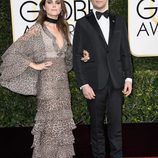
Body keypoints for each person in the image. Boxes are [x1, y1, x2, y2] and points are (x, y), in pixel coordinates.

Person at [0, 0, 76, 157]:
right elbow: (13, 53)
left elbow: (67, 58)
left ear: (61, 7)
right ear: (44, 7)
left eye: (57, 2)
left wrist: (82, 56)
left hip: (63, 86)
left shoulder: (63, 28)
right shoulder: (37, 29)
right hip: (47, 86)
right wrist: (34, 64)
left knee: (62, 126)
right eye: (50, 2)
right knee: (49, 127)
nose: (54, 5)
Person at [73, 0, 133, 158]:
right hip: (93, 84)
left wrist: (128, 78)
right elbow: (77, 55)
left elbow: (125, 51)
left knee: (116, 127)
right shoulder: (82, 23)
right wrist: (83, 84)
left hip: (116, 83)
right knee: (96, 127)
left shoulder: (119, 20)